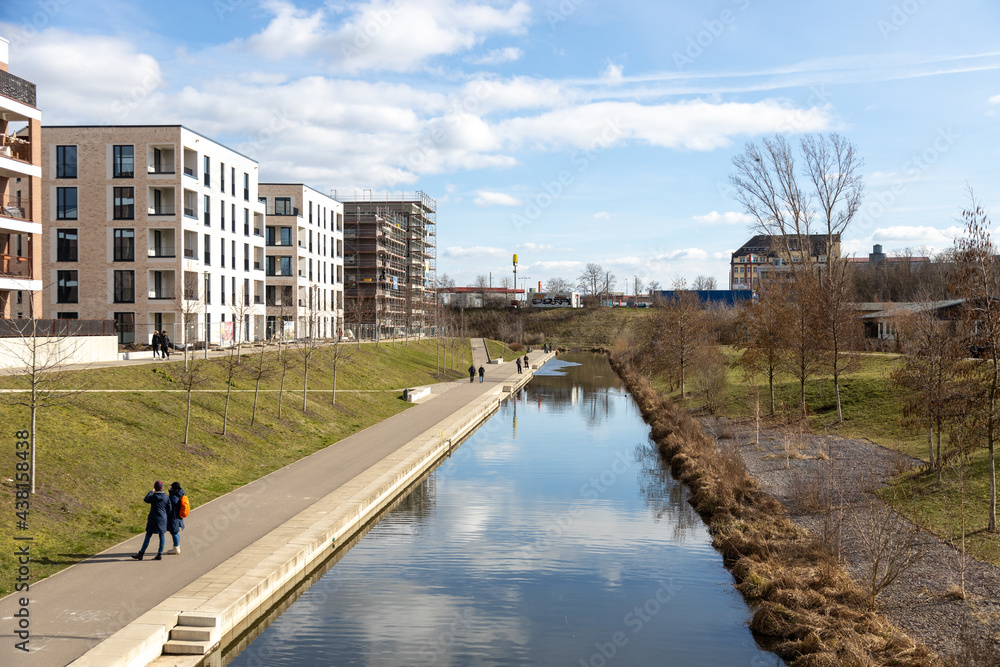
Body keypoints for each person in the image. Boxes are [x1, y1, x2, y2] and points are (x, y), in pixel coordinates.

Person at [132, 481, 171, 561]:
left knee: (148, 535)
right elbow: (169, 508)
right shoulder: (166, 497)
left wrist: (151, 492)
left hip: (153, 518)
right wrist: (164, 514)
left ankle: (141, 553)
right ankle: (159, 554)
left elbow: (146, 499)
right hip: (162, 518)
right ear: (162, 487)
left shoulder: (153, 497)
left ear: (155, 487)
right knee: (161, 535)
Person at [166, 481, 186, 555]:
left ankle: (176, 548)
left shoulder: (174, 496)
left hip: (173, 516)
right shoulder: (179, 494)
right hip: (178, 516)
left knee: (174, 532)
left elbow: (171, 505)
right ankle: (177, 546)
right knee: (175, 532)